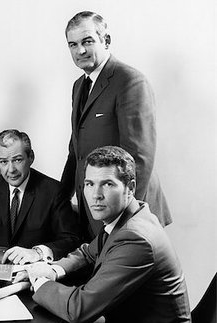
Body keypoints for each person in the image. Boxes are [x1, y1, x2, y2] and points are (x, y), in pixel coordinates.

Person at [15, 146, 192, 323]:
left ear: (130, 187)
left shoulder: (136, 239)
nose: (96, 195)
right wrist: (53, 269)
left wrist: (39, 281)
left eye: (107, 184)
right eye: (90, 184)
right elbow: (88, 252)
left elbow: (78, 309)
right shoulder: (129, 216)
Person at [61, 11, 171, 241]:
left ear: (106, 40)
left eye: (87, 41)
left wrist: (123, 217)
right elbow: (77, 151)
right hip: (95, 208)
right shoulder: (79, 86)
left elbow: (139, 157)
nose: (80, 50)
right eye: (73, 44)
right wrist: (59, 201)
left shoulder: (130, 81)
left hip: (129, 214)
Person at [0, 129, 80, 264]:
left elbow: (71, 240)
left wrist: (37, 252)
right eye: (3, 162)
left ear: (31, 157)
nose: (11, 169)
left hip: (34, 275)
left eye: (17, 160)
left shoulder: (54, 191)